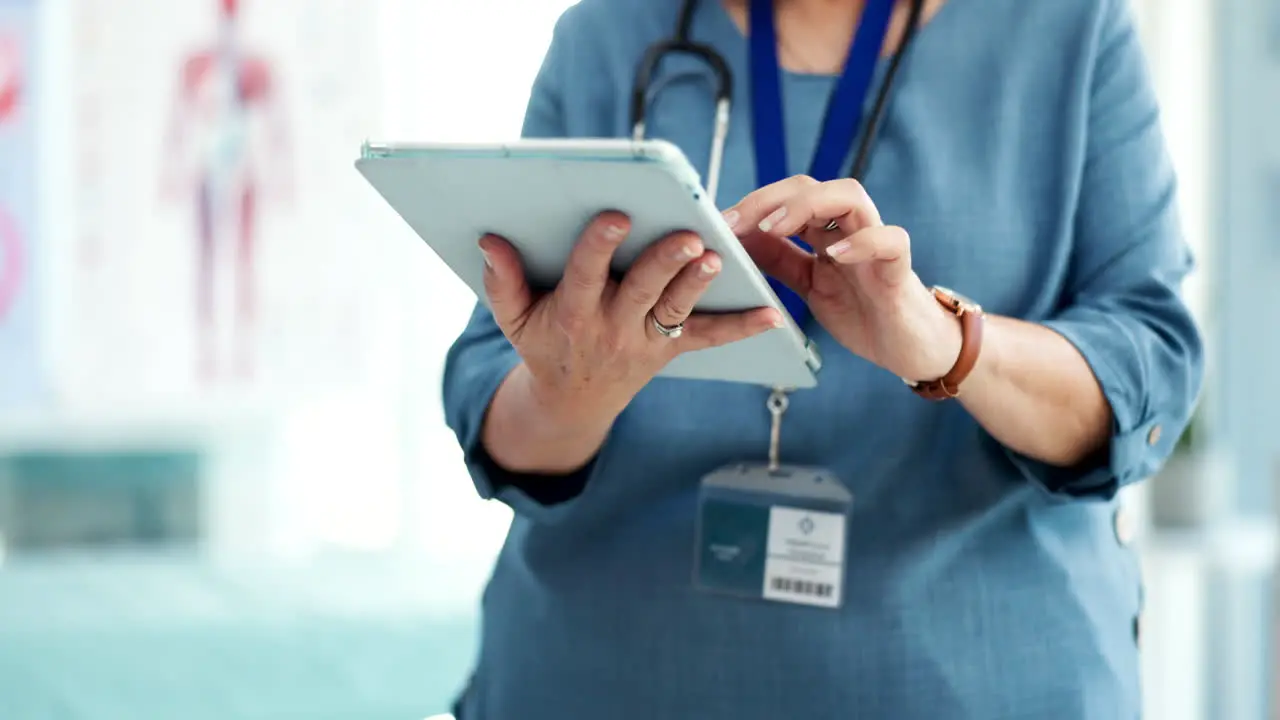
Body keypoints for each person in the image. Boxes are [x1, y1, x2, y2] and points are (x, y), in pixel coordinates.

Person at [442, 0, 1204, 717]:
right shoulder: (608, 33)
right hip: (603, 675)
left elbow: (1149, 374)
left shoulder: (1069, 28)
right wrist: (574, 390)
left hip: (976, 680)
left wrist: (945, 343)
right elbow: (493, 409)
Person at [161, 0, 290, 382]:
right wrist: (172, 170)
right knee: (207, 260)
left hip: (241, 166)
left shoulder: (256, 66)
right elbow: (179, 120)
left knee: (243, 261)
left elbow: (276, 124)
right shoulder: (197, 64)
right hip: (209, 165)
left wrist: (282, 175)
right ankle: (208, 349)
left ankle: (242, 350)